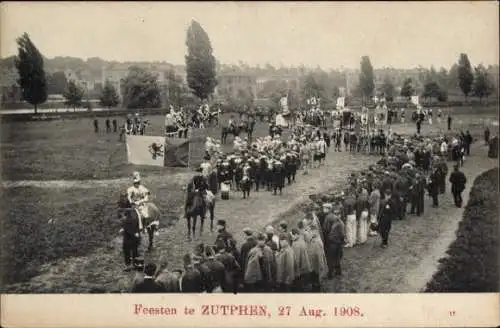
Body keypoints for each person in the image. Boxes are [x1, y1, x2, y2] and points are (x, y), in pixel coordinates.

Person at [322, 204, 345, 278]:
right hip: (338, 242)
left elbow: (326, 230)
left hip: (332, 242)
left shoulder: (329, 218)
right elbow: (342, 234)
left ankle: (330, 274)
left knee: (331, 258)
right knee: (337, 257)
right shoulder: (340, 222)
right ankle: (338, 272)